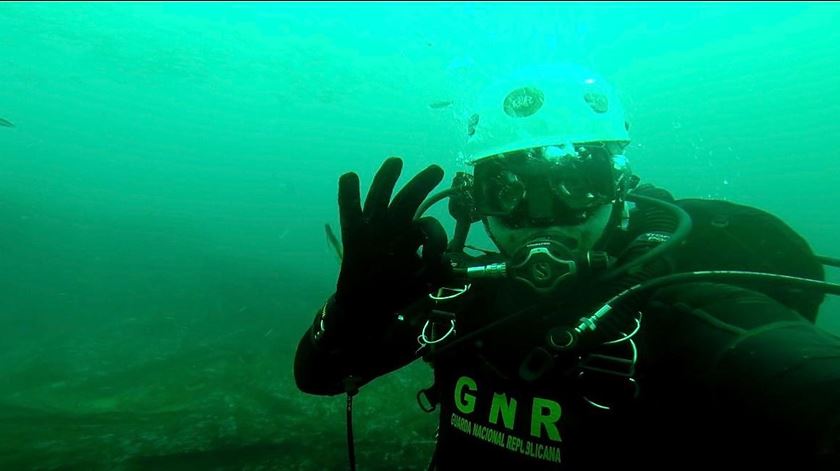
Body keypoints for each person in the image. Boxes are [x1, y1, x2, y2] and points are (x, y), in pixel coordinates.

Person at [294, 64, 840, 470]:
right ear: (472, 201)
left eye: (575, 184)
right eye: (504, 190)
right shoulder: (458, 300)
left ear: (618, 189)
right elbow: (319, 376)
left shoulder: (688, 310)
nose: (539, 220)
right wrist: (354, 309)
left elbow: (807, 384)